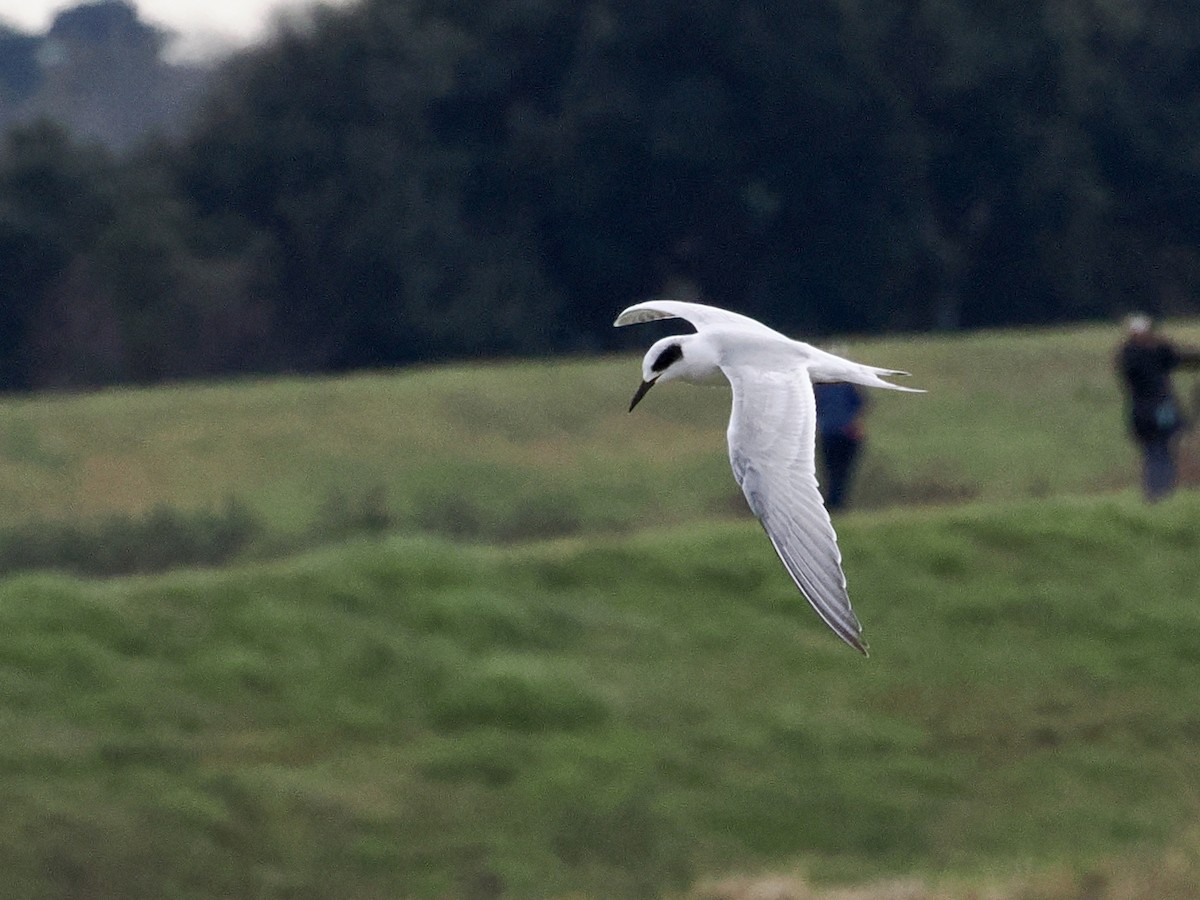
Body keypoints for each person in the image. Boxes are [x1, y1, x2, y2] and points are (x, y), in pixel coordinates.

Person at [1115, 314, 1200, 501]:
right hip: (1157, 411)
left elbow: (1181, 359)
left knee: (1158, 450)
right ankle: (1160, 493)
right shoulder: (1145, 353)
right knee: (1160, 449)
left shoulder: (1130, 354)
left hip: (1144, 413)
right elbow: (1175, 358)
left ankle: (1156, 492)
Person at [814, 379, 866, 511]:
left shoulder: (820, 387)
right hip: (847, 433)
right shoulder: (848, 385)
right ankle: (837, 502)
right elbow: (860, 404)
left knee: (830, 470)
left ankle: (832, 502)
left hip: (828, 433)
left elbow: (815, 407)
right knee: (843, 471)